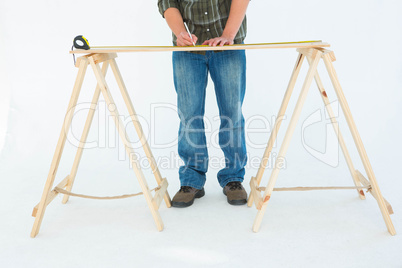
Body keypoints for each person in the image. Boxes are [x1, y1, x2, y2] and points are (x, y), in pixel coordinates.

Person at [157, 0, 250, 207]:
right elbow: (167, 2)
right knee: (189, 115)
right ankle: (192, 180)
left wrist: (228, 35)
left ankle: (233, 178)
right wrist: (180, 33)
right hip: (188, 50)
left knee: (232, 112)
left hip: (230, 44)